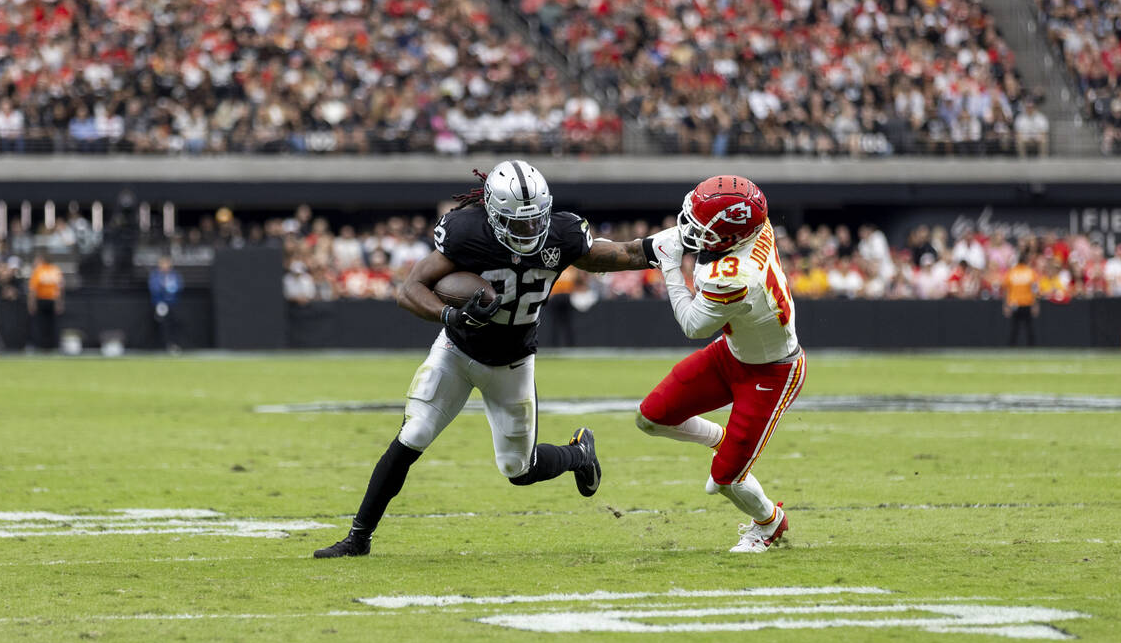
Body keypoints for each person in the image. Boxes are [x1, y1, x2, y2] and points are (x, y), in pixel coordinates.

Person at [314, 160, 660, 558]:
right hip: (457, 351)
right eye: (518, 222)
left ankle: (579, 454)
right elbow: (410, 288)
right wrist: (449, 315)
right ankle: (358, 538)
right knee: (414, 434)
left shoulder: (563, 233)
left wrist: (670, 246)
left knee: (519, 469)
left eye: (535, 221)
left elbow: (623, 254)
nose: (528, 230)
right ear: (493, 214)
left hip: (512, 362)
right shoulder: (467, 232)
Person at [637, 176, 806, 553]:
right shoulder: (754, 225)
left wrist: (668, 266)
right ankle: (720, 440)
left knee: (725, 479)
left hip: (773, 372)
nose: (692, 230)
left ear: (729, 236)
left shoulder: (735, 276)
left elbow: (692, 325)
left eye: (703, 227)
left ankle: (768, 524)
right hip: (731, 353)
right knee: (650, 417)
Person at [27, 254, 65, 350]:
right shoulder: (55, 270)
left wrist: (31, 303)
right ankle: (53, 345)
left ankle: (41, 345)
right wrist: (59, 303)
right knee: (52, 324)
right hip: (52, 300)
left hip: (41, 300)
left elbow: (33, 289)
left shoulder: (38, 270)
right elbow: (59, 289)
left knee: (41, 324)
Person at [1003, 251, 1038, 346]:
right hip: (1027, 302)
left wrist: (1006, 305)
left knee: (1014, 328)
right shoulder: (1030, 272)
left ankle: (1011, 347)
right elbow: (1034, 290)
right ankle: (1031, 347)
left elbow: (1007, 290)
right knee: (1029, 327)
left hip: (1015, 303)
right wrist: (1035, 305)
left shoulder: (1012, 272)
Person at [148, 256, 183, 351]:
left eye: (167, 264)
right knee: (162, 325)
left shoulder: (174, 275)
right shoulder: (155, 275)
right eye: (163, 264)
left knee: (174, 324)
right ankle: (163, 345)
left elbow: (179, 286)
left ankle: (173, 344)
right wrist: (164, 289)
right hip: (160, 304)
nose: (165, 266)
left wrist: (169, 290)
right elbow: (154, 288)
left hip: (173, 304)